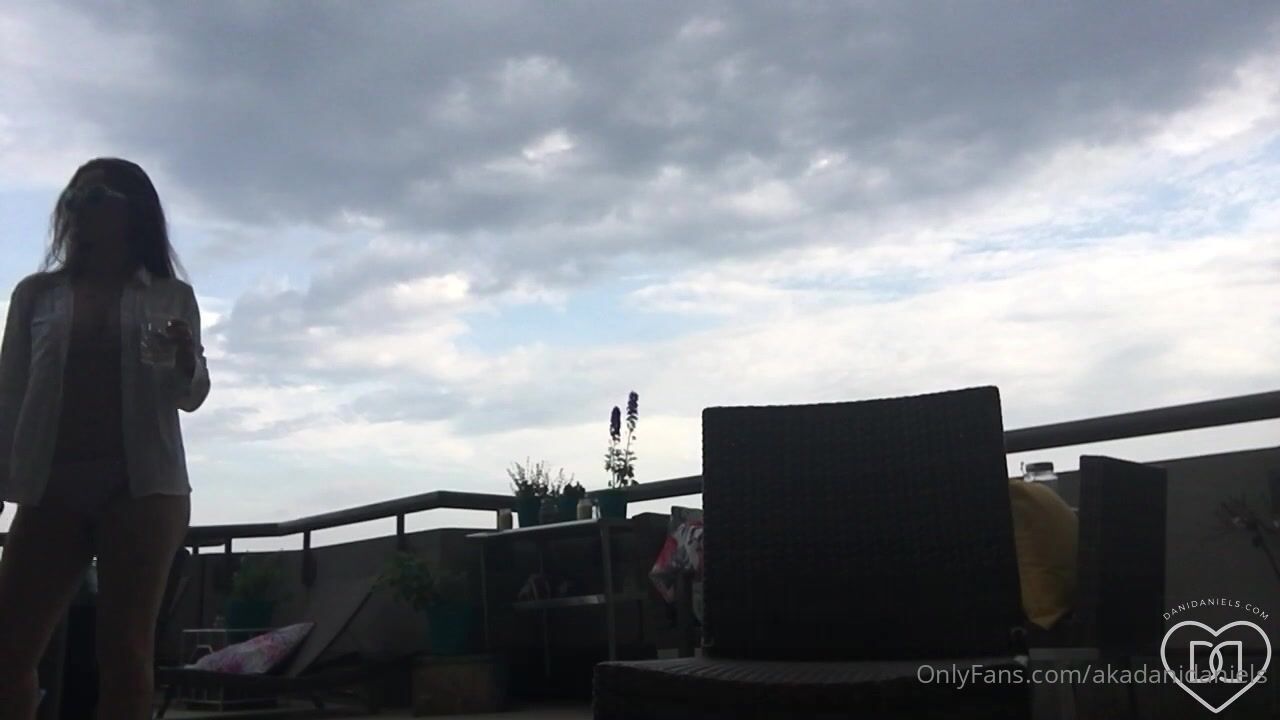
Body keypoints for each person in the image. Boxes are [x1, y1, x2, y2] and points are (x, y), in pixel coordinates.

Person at [0, 157, 210, 720]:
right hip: (51, 486)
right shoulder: (37, 295)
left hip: (144, 487)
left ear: (133, 211)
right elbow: (9, 394)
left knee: (125, 655)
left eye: (95, 197)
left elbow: (190, 395)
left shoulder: (170, 295)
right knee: (9, 650)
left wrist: (186, 359)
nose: (77, 207)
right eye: (73, 197)